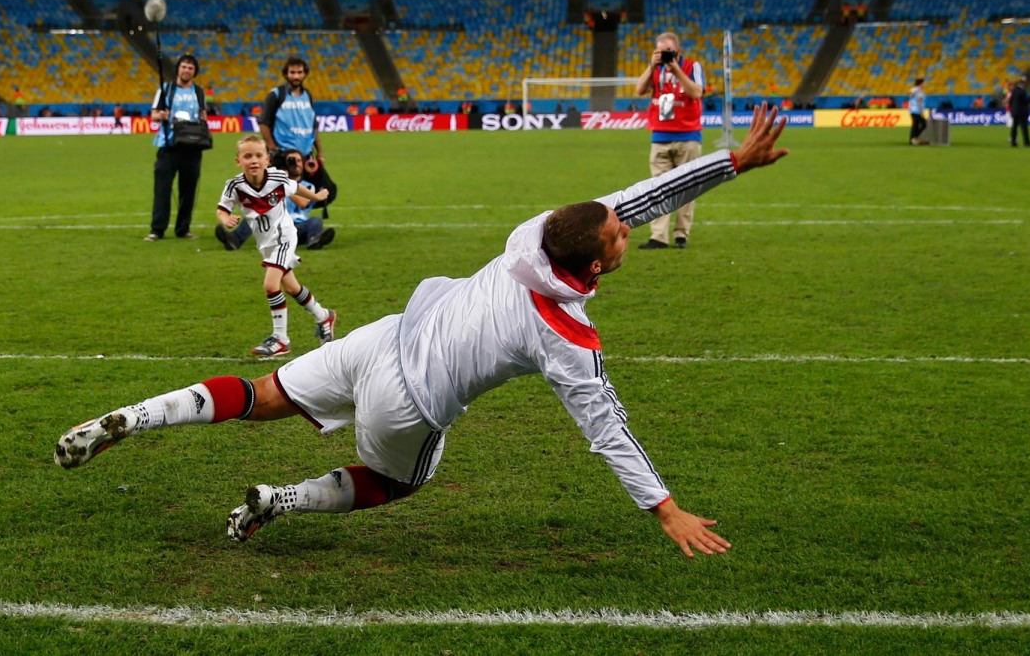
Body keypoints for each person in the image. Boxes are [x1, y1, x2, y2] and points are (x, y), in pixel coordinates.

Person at [55, 105, 791, 557]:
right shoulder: (565, 331)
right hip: (408, 399)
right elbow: (604, 427)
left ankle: (135, 416)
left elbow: (636, 198)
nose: (626, 233)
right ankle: (278, 500)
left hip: (383, 334)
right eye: (619, 238)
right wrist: (665, 509)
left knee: (260, 394)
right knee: (400, 482)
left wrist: (734, 163)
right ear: (594, 261)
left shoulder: (533, 235)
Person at [216, 134, 336, 358]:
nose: (253, 160)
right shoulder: (234, 185)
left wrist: (316, 196)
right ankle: (324, 316)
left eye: (258, 155)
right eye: (247, 156)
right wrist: (225, 220)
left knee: (271, 285)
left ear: (267, 159)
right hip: (266, 244)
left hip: (284, 237)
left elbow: (297, 188)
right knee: (292, 288)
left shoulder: (278, 177)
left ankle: (281, 339)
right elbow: (222, 209)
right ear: (238, 161)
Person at [220, 56, 335, 251]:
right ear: (286, 74)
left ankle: (296, 225)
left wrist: (320, 152)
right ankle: (242, 236)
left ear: (305, 74)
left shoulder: (307, 95)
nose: (296, 76)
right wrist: (272, 149)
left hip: (305, 156)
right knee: (266, 197)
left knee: (327, 189)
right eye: (292, 72)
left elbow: (313, 126)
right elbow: (264, 122)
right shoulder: (276, 94)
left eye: (299, 72)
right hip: (281, 156)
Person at [634, 31, 706, 249]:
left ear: (678, 51)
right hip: (660, 136)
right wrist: (651, 66)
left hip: (688, 136)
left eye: (668, 51)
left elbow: (697, 93)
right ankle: (658, 236)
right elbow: (639, 90)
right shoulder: (655, 70)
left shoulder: (693, 66)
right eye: (660, 51)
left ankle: (681, 234)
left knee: (687, 187)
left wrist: (676, 69)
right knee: (658, 189)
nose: (664, 55)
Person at [147, 54, 208, 241]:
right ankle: (157, 229)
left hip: (192, 146)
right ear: (178, 69)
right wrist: (161, 116)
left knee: (188, 191)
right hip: (168, 145)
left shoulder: (199, 92)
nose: (186, 70)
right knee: (162, 189)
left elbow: (203, 115)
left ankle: (183, 228)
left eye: (190, 68)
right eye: (184, 67)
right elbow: (154, 116)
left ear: (194, 72)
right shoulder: (166, 89)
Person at [283, 148, 335, 250]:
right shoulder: (274, 183)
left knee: (316, 220)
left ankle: (313, 241)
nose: (296, 164)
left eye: (299, 161)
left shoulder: (308, 186)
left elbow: (303, 203)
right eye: (292, 161)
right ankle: (313, 239)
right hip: (281, 229)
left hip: (299, 228)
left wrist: (283, 183)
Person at [1007, 76, 1030, 147]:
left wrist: (1012, 110)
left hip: (1015, 112)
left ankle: (1013, 141)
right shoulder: (1022, 91)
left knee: (1014, 127)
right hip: (1022, 112)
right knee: (1024, 128)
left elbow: (1011, 101)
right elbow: (1025, 102)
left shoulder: (1014, 90)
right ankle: (1027, 142)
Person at [907, 78, 928, 145]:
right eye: (924, 83)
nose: (925, 84)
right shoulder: (920, 91)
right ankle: (914, 138)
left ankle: (912, 139)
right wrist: (922, 112)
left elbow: (910, 94)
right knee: (923, 124)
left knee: (915, 125)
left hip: (912, 109)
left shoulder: (914, 89)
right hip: (917, 110)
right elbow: (919, 101)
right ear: (921, 83)